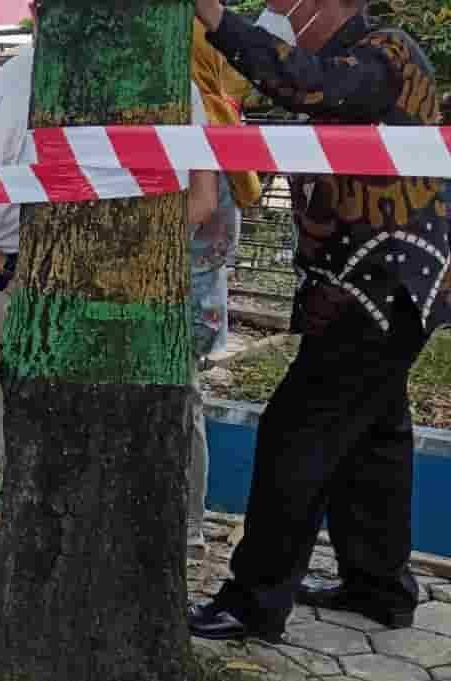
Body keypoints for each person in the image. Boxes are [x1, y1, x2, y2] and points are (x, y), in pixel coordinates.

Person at [188, 0, 448, 641]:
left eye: (286, 6)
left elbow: (300, 81)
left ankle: (253, 601)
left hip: (380, 287)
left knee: (295, 434)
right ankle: (379, 586)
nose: (279, 14)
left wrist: (218, 20)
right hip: (380, 285)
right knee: (374, 439)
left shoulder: (385, 54)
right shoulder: (359, 57)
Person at [0, 1, 219, 533]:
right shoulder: (168, 80)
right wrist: (138, 261)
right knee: (161, 411)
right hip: (133, 290)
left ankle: (40, 544)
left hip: (29, 288)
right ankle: (180, 539)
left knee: (32, 426)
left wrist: (3, 272)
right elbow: (202, 199)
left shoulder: (1, 87)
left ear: (36, 11)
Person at [185, 17, 265, 561]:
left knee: (178, 402)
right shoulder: (216, 114)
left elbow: (205, 218)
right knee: (182, 402)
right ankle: (186, 525)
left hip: (179, 299)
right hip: (194, 298)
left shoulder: (197, 112)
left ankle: (186, 527)